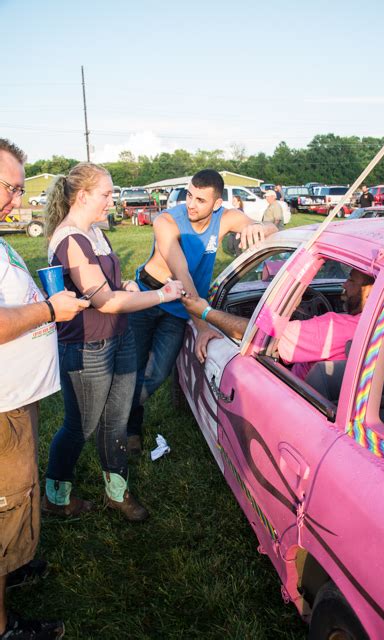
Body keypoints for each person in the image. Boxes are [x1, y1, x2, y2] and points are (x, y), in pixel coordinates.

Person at [42, 163, 183, 522]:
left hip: (119, 338)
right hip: (88, 346)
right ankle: (56, 496)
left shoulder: (94, 232)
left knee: (116, 422)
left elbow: (109, 292)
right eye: (106, 194)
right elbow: (105, 303)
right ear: (84, 195)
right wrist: (161, 296)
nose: (112, 200)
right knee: (81, 426)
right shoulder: (71, 239)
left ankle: (116, 493)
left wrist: (127, 288)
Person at [0, 139, 89, 639]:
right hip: (1, 409)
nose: (16, 199)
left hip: (17, 400)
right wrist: (50, 310)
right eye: (9, 187)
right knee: (4, 503)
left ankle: (11, 568)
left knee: (17, 495)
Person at [127, 169, 278, 454]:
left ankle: (117, 411)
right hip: (150, 296)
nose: (191, 204)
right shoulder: (167, 221)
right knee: (133, 368)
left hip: (181, 306)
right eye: (189, 195)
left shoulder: (227, 217)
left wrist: (260, 229)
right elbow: (182, 274)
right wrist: (203, 325)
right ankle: (128, 427)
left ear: (217, 203)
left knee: (157, 372)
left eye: (200, 199)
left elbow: (270, 227)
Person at [182, 269, 377, 380]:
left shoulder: (332, 329)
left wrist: (206, 312)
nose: (343, 285)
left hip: (297, 397)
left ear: (369, 290)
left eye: (351, 280)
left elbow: (261, 334)